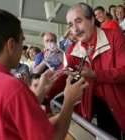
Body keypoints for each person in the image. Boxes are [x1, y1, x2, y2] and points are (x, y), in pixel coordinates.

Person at [0, 9, 89, 140]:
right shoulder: (12, 88)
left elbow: (16, 117)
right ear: (11, 45)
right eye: (22, 42)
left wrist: (41, 90)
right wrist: (69, 101)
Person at [45, 3, 125, 139]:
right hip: (97, 104)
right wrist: (42, 93)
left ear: (92, 20)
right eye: (70, 25)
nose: (75, 29)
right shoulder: (74, 50)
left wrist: (94, 74)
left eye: (78, 21)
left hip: (119, 99)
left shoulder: (114, 36)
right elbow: (64, 73)